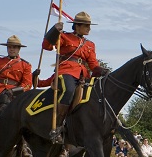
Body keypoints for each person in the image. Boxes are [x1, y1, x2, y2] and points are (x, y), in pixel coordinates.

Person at [40, 12, 107, 144]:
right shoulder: (64, 36)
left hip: (83, 75)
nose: (89, 28)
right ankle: (57, 126)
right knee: (69, 90)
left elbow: (93, 64)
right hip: (66, 71)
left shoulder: (90, 44)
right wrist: (54, 31)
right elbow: (46, 46)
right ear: (77, 26)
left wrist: (101, 70)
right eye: (86, 26)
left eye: (89, 26)